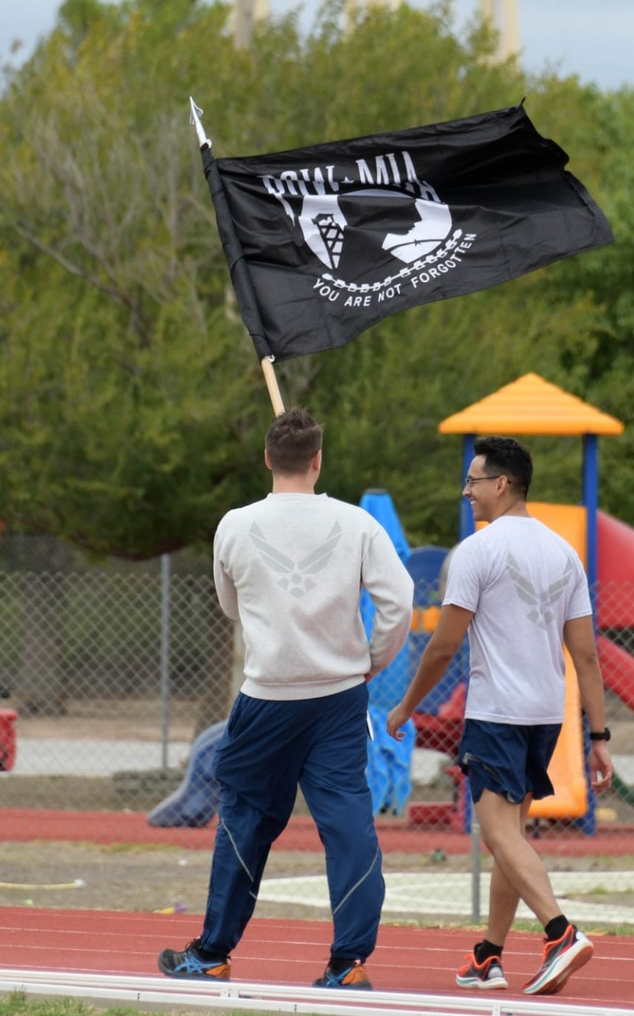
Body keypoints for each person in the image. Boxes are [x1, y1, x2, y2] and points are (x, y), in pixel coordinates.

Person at [159, 407, 414, 990]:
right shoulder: (356, 525)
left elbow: (230, 605)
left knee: (245, 820)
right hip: (339, 698)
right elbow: (398, 600)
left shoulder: (234, 525)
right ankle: (349, 963)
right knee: (348, 824)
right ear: (318, 461)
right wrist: (370, 662)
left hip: (267, 697)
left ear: (268, 458)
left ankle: (213, 954)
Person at [386, 434, 612, 999]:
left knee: (498, 833)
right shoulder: (566, 553)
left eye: (474, 481)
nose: (467, 491)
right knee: (510, 836)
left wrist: (407, 706)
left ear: (502, 484)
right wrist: (600, 734)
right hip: (545, 716)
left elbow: (441, 647)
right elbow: (585, 654)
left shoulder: (478, 552)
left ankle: (560, 933)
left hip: (496, 714)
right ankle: (488, 955)